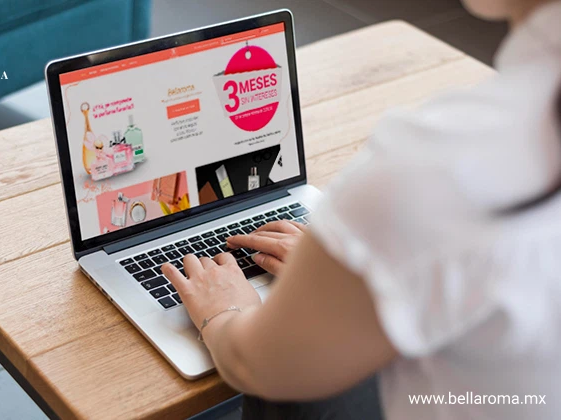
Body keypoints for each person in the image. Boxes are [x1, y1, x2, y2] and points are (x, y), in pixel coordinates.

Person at [162, 0, 561, 418]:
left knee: (292, 384)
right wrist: (351, 271)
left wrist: (224, 310)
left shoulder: (437, 163)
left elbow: (253, 364)